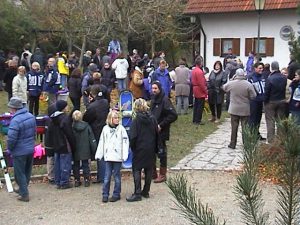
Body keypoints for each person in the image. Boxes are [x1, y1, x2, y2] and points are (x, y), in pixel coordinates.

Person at [126, 98, 158, 202]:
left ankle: (137, 193)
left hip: (140, 148)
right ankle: (146, 191)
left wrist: (133, 147)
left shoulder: (136, 121)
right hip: (151, 147)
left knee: (137, 169)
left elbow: (133, 136)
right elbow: (156, 133)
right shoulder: (152, 119)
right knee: (149, 169)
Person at [95, 110, 129, 203]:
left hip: (117, 156)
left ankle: (116, 194)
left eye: (118, 118)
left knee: (117, 176)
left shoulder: (121, 129)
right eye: (115, 118)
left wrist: (124, 155)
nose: (117, 119)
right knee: (107, 176)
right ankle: (105, 194)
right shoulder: (105, 129)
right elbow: (102, 142)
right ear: (110, 119)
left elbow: (125, 143)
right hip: (108, 156)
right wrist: (99, 154)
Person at [7, 97, 36, 202]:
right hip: (30, 149)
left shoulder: (15, 120)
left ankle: (24, 194)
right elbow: (34, 133)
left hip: (19, 151)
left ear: (14, 108)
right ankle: (23, 189)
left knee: (20, 173)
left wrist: (10, 148)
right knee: (27, 171)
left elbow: (11, 138)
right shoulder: (31, 116)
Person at [150, 81, 177, 183]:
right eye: (152, 88)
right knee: (151, 151)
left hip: (161, 131)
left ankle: (162, 174)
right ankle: (152, 172)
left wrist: (161, 125)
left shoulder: (165, 100)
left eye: (155, 88)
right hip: (152, 131)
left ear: (160, 89)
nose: (154, 90)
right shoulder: (153, 99)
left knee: (162, 152)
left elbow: (173, 115)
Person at [222, 69, 257, 149]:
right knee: (245, 127)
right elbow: (253, 96)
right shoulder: (248, 84)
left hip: (234, 108)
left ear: (236, 75)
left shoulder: (231, 83)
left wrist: (231, 79)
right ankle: (246, 143)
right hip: (245, 109)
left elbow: (224, 88)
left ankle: (232, 143)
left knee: (234, 127)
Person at [83, 84, 109, 184]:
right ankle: (104, 175)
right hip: (104, 129)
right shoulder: (105, 102)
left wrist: (90, 104)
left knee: (100, 155)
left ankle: (102, 177)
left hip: (96, 131)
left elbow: (86, 118)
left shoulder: (92, 107)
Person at [47, 100, 75, 189]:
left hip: (56, 144)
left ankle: (58, 181)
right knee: (65, 164)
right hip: (64, 144)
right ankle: (64, 182)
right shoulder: (64, 119)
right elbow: (69, 133)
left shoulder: (52, 119)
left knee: (57, 164)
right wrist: (73, 144)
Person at [72, 110, 97, 187]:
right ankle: (86, 179)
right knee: (85, 164)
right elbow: (91, 138)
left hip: (75, 148)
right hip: (85, 148)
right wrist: (94, 149)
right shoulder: (87, 126)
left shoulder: (72, 127)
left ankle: (77, 180)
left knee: (76, 165)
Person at [264, 61, 287, 143]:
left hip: (271, 101)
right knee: (280, 121)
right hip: (281, 101)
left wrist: (265, 101)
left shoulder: (270, 78)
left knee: (270, 121)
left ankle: (271, 140)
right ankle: (280, 139)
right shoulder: (284, 78)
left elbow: (267, 91)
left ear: (271, 68)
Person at [247, 62, 266, 140]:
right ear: (255, 69)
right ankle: (251, 134)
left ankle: (256, 133)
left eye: (262, 68)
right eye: (259, 68)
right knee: (253, 118)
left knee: (258, 118)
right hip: (253, 100)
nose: (261, 70)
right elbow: (249, 89)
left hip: (261, 100)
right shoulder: (251, 77)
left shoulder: (263, 77)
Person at [191, 56, 207, 125]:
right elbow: (202, 83)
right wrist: (206, 91)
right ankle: (198, 120)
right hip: (199, 89)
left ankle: (195, 119)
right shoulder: (200, 72)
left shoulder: (194, 70)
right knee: (200, 106)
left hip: (195, 88)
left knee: (196, 105)